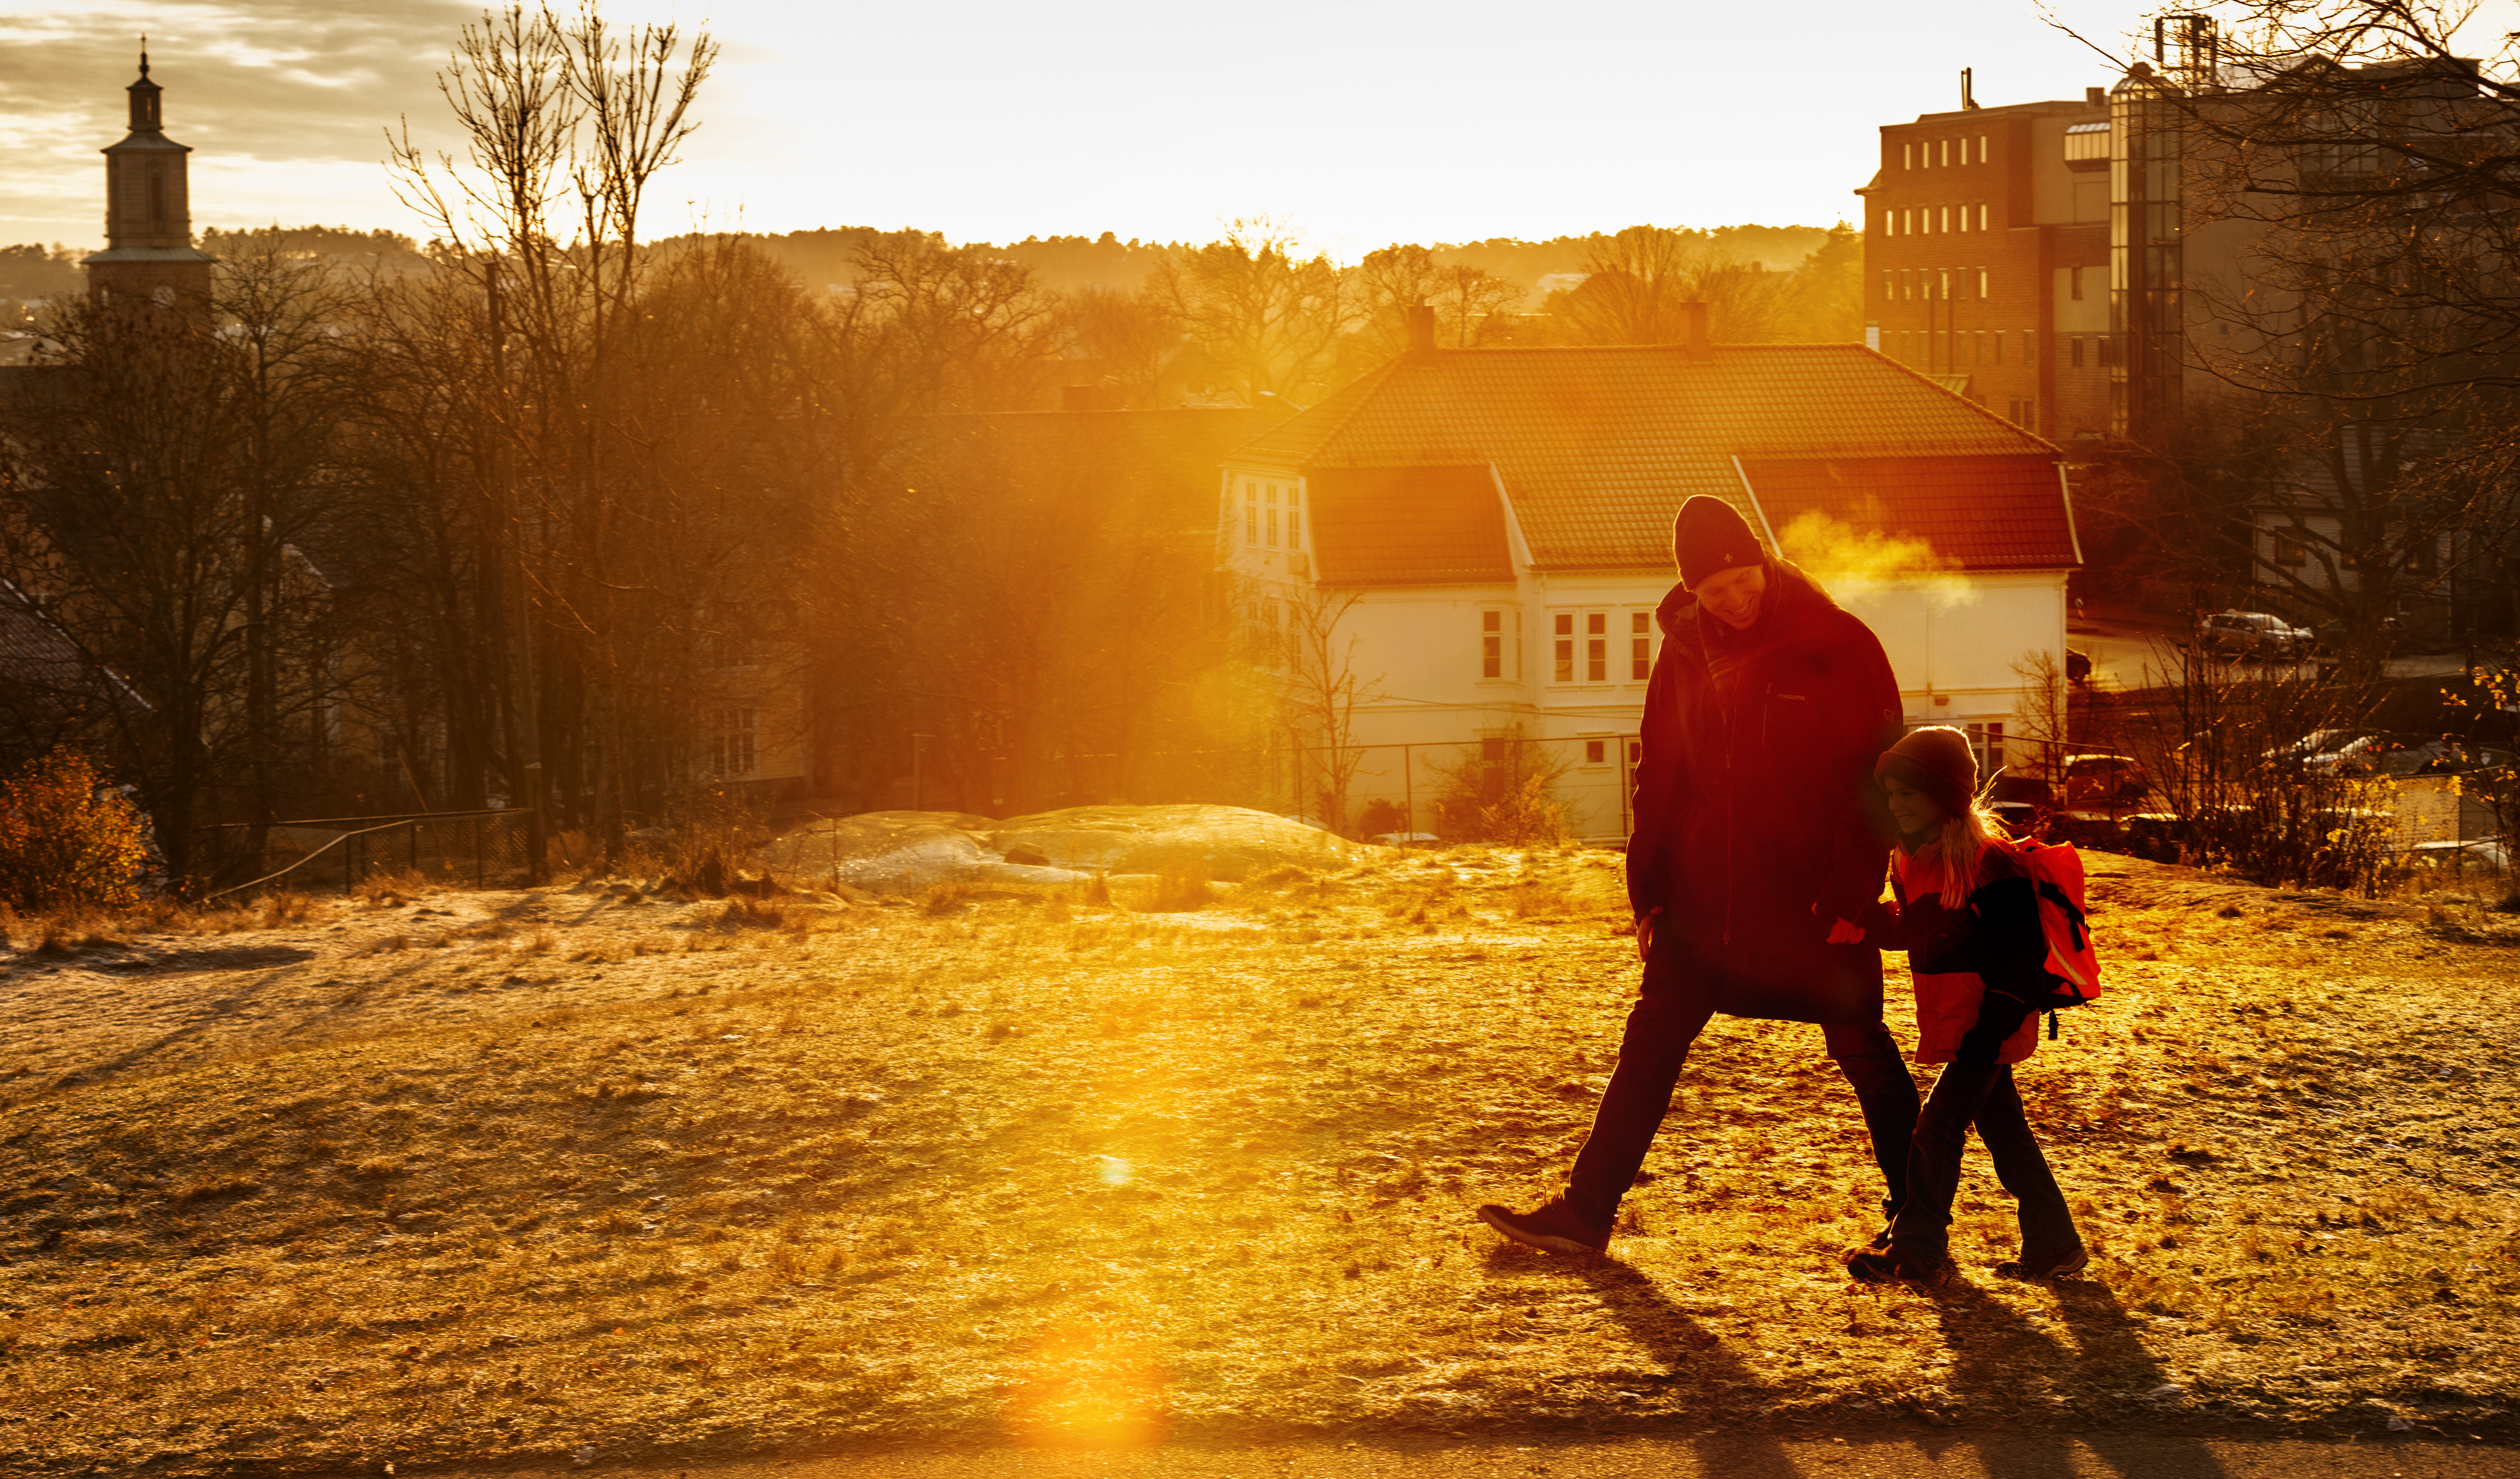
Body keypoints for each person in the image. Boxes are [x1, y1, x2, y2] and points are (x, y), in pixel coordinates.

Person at [1476, 495, 1919, 1255]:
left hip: (1811, 896)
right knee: (1651, 1039)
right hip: (1701, 895)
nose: (1734, 602)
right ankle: (1586, 1211)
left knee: (1861, 1050)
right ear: (1691, 594)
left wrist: (1853, 889)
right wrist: (1646, 891)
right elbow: (1661, 773)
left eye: (1743, 583)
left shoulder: (1839, 643)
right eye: (1715, 593)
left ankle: (1920, 1216)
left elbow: (1876, 779)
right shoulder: (1683, 649)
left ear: (1763, 564)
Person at [1842, 726, 2086, 1282]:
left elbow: (2022, 957)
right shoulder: (1913, 862)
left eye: (1909, 792)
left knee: (1936, 1128)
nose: (1897, 804)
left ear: (1945, 795)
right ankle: (2057, 1245)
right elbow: (1913, 935)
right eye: (1891, 793)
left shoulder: (1991, 863)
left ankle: (1919, 1250)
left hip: (1989, 1025)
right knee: (2006, 1133)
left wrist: (1989, 1031)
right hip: (1960, 1024)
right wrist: (1859, 912)